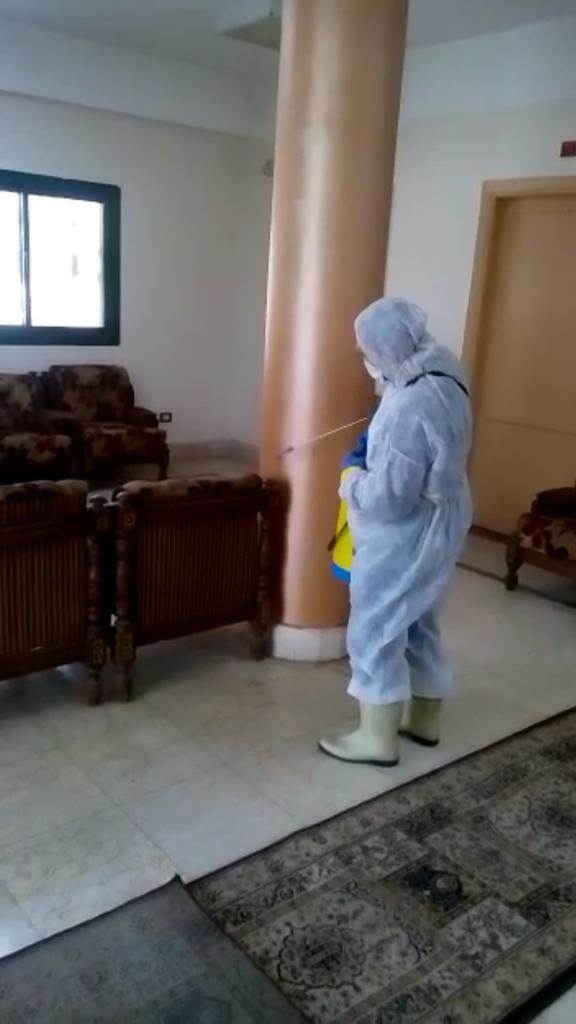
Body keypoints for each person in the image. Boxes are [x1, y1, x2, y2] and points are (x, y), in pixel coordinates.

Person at [320, 297, 472, 766]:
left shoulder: (408, 405)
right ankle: (424, 720)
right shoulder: (445, 376)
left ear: (384, 347)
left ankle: (376, 739)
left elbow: (390, 497)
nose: (364, 358)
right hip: (444, 521)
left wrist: (351, 478)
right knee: (420, 619)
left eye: (365, 348)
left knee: (376, 628)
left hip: (405, 533)